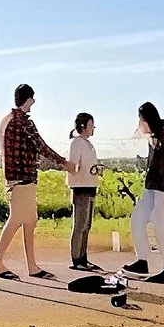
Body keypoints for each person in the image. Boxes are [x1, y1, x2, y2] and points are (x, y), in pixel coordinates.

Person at [0, 83, 67, 281]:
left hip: (16, 177)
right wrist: (64, 163)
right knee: (16, 220)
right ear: (29, 99)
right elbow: (40, 145)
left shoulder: (8, 120)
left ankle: (32, 266)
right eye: (33, 99)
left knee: (30, 220)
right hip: (23, 178)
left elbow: (26, 147)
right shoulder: (23, 122)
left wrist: (32, 158)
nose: (34, 102)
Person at [123, 101, 164, 284]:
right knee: (137, 219)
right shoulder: (152, 136)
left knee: (161, 227)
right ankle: (142, 261)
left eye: (140, 119)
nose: (139, 122)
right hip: (151, 188)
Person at [66, 113, 101, 270]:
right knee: (80, 224)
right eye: (91, 124)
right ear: (84, 126)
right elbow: (73, 166)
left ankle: (83, 257)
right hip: (80, 188)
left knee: (87, 224)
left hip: (90, 186)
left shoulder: (87, 144)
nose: (93, 127)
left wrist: (95, 170)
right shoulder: (76, 143)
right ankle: (77, 259)